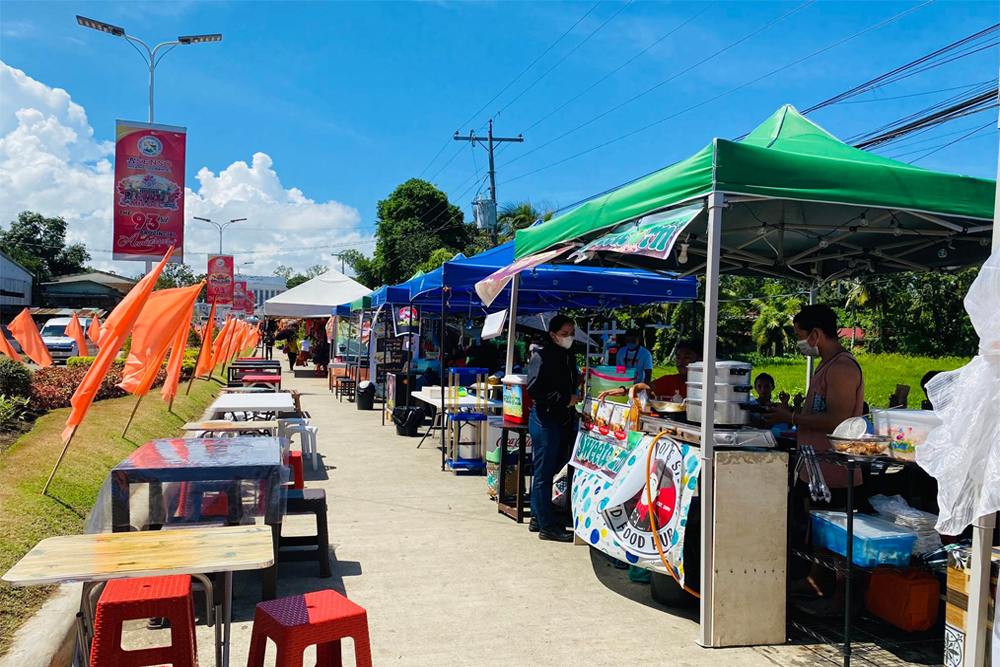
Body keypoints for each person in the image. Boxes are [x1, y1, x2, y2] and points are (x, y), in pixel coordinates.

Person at [764, 304, 864, 615]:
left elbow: (837, 418)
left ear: (817, 334)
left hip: (836, 469)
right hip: (816, 467)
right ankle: (816, 580)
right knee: (818, 528)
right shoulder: (826, 365)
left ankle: (843, 598)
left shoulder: (843, 368)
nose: (800, 343)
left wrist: (792, 416)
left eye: (800, 336)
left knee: (839, 535)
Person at [526, 314, 581, 543]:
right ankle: (547, 526)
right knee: (544, 473)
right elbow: (534, 390)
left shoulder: (568, 355)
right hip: (545, 418)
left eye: (572, 334)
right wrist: (564, 398)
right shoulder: (543, 356)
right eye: (564, 334)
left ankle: (538, 516)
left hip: (561, 419)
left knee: (551, 467)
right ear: (553, 335)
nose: (569, 338)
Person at [598, 340, 700, 401]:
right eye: (678, 358)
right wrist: (624, 390)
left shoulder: (709, 385)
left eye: (686, 357)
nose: (680, 361)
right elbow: (647, 386)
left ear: (700, 360)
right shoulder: (671, 380)